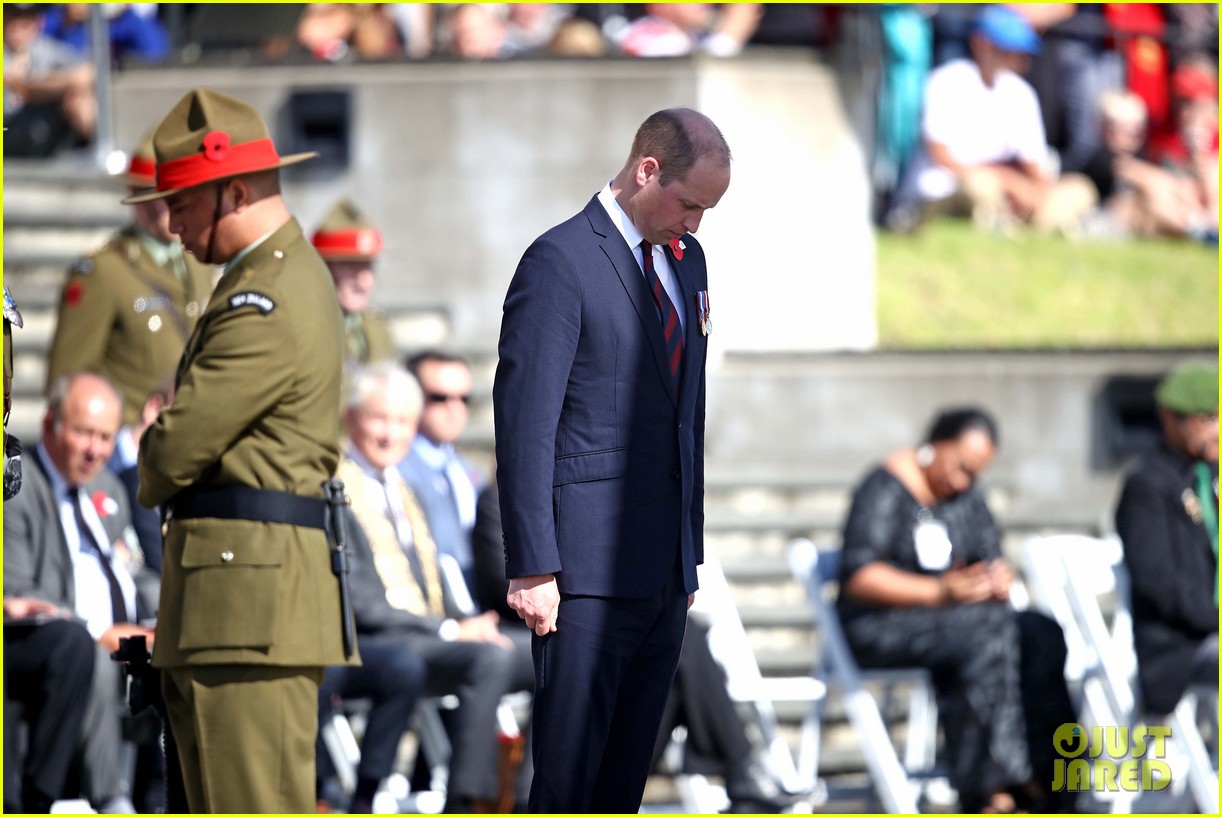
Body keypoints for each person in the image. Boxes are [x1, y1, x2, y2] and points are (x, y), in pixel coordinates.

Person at [493, 107, 730, 812]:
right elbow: (525, 422)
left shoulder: (688, 263)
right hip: (584, 573)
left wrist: (689, 554)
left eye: (708, 210)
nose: (695, 224)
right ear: (646, 170)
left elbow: (688, 415)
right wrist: (533, 563)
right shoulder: (561, 260)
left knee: (623, 784)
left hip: (660, 573)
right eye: (689, 204)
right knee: (570, 782)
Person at [128, 87, 355, 814]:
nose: (173, 228)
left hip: (248, 609)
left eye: (184, 205)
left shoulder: (267, 295)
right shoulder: (262, 282)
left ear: (234, 191)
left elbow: (173, 450)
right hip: (237, 603)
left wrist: (155, 434)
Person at [471, 481, 806, 812]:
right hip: (541, 625)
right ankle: (741, 766)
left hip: (597, 618)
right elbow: (508, 581)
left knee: (674, 648)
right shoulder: (502, 498)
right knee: (682, 643)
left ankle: (740, 768)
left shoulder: (580, 497)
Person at [836, 407, 1075, 813]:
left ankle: (1047, 773)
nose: (962, 480)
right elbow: (860, 576)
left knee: (1039, 633)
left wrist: (996, 575)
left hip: (961, 619)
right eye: (959, 467)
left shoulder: (966, 498)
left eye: (973, 474)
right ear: (936, 444)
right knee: (983, 635)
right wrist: (938, 592)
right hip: (885, 623)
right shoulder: (884, 489)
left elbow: (986, 550)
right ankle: (991, 788)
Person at [339, 362, 533, 813]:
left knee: (553, 650)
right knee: (489, 657)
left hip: (425, 634)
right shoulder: (336, 489)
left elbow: (430, 582)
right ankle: (467, 801)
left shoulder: (405, 489)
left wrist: (464, 622)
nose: (391, 434)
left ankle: (530, 795)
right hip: (378, 642)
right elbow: (360, 603)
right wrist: (450, 631)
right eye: (379, 419)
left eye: (403, 422)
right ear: (351, 419)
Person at [4, 372, 156, 814]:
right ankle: (111, 799)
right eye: (84, 433)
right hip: (68, 637)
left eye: (106, 437)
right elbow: (19, 590)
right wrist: (100, 630)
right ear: (50, 423)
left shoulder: (107, 487)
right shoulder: (16, 485)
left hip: (127, 633)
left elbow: (136, 571)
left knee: (183, 656)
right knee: (94, 659)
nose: (95, 450)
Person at [46, 135, 216, 428]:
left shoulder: (197, 261)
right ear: (137, 195)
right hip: (129, 449)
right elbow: (66, 381)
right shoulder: (103, 272)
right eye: (164, 194)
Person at [889, 5, 1096, 235]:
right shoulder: (946, 81)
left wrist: (1037, 190)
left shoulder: (1021, 93)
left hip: (1007, 190)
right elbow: (941, 156)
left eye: (1021, 53)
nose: (1018, 61)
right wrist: (1006, 180)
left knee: (1079, 189)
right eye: (1007, 51)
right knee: (981, 186)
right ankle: (1031, 224)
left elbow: (1034, 163)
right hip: (950, 186)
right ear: (980, 44)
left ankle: (1035, 223)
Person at [1114, 362, 1218, 717]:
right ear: (1170, 418)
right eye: (1207, 419)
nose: (1217, 431)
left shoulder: (1210, 475)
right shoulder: (1148, 485)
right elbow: (1159, 584)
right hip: (1179, 646)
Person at [400, 350, 483, 589]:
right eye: (439, 397)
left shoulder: (469, 472)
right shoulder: (394, 470)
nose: (454, 408)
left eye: (463, 399)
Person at [2, 3, 96, 157]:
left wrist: (35, 87)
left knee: (80, 98)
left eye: (27, 19)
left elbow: (86, 74)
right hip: (8, 132)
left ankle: (99, 154)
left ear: (38, 22)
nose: (19, 25)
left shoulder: (50, 50)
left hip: (46, 129)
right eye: (13, 17)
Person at [312, 198, 395, 366]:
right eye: (352, 265)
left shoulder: (377, 326)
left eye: (369, 266)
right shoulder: (305, 327)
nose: (365, 281)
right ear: (323, 268)